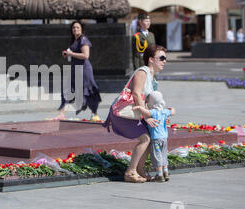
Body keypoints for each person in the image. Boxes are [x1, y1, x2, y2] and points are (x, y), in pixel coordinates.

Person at [102, 44, 167, 183]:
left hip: (135, 112)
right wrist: (146, 117)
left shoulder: (152, 78)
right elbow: (136, 93)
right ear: (150, 59)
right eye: (161, 58)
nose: (164, 61)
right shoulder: (142, 72)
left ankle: (139, 169)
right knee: (146, 139)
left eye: (165, 58)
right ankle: (130, 172)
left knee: (150, 137)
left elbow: (151, 102)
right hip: (123, 113)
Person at [54, 20, 102, 121]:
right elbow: (74, 53)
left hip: (84, 70)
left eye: (77, 27)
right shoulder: (74, 40)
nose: (75, 29)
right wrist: (67, 54)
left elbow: (85, 55)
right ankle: (62, 113)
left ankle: (94, 113)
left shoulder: (83, 39)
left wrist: (71, 54)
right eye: (73, 28)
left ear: (81, 29)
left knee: (88, 91)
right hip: (75, 69)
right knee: (68, 90)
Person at [133, 91, 175, 182]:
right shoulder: (164, 112)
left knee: (157, 157)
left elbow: (146, 113)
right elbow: (173, 112)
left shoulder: (153, 112)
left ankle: (159, 175)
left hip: (156, 139)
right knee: (164, 155)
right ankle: (165, 172)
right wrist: (172, 109)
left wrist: (140, 107)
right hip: (164, 138)